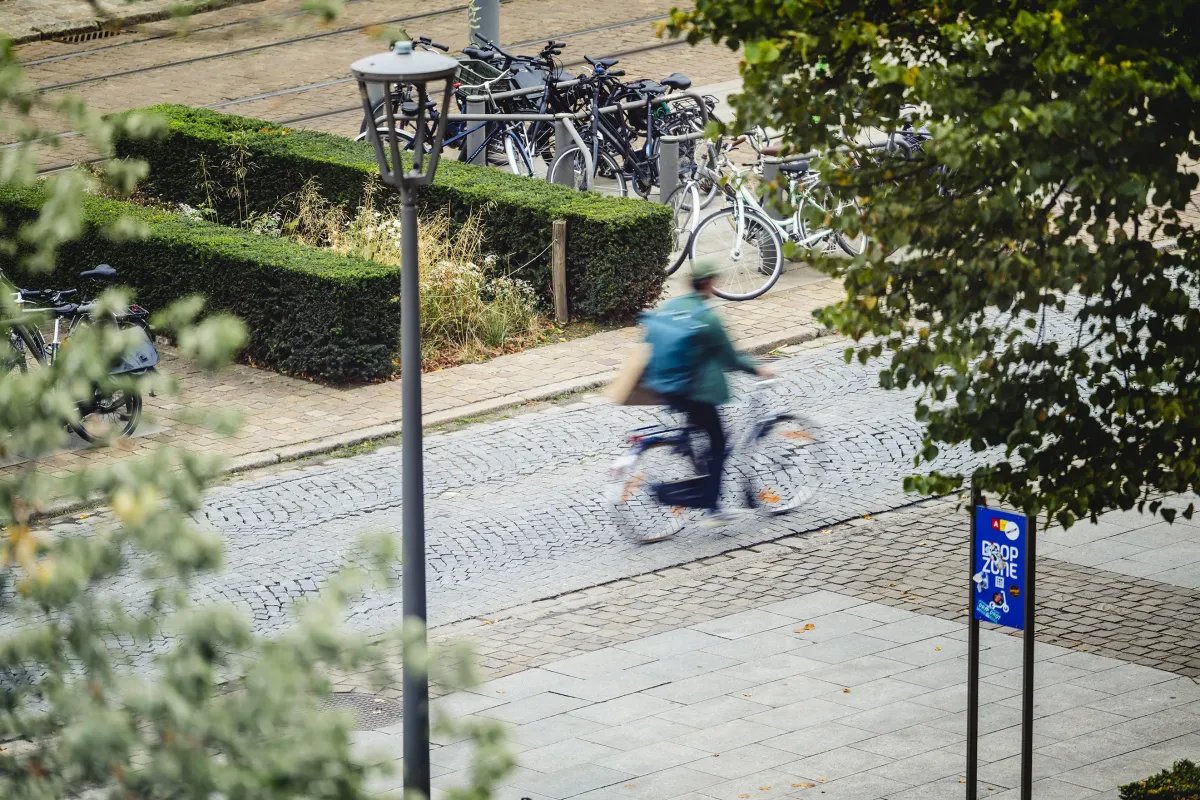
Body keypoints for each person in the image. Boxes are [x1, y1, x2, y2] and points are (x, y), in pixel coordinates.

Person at [644, 261, 773, 526]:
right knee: (718, 442)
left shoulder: (672, 307)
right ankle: (713, 508)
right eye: (715, 281)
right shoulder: (708, 318)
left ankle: (697, 466)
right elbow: (730, 358)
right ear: (709, 283)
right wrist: (758, 370)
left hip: (669, 386)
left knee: (698, 438)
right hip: (695, 392)